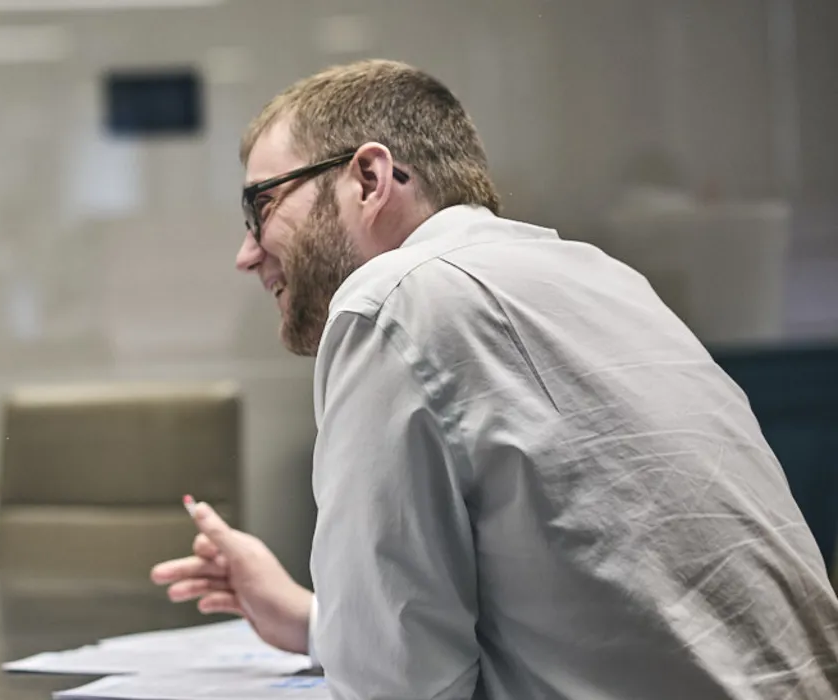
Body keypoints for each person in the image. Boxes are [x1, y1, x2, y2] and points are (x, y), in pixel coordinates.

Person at [149, 59, 838, 698]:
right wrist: (305, 617)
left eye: (261, 206)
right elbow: (590, 602)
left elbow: (396, 686)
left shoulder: (394, 298)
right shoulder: (601, 277)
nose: (246, 254)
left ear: (368, 179)